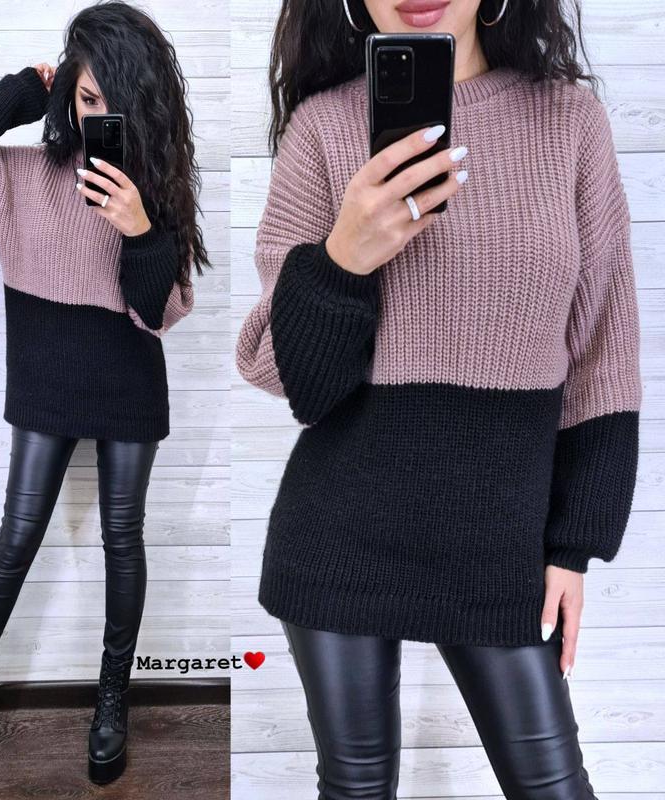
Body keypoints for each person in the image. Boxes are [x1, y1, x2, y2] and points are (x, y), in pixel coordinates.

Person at [235, 0, 641, 797]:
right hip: (338, 537)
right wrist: (344, 257)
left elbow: (604, 350)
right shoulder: (322, 129)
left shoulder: (569, 120)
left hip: (503, 544)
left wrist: (573, 545)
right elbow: (286, 376)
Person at [0, 1, 209, 791]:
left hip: (129, 379)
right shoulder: (19, 178)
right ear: (69, 88)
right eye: (87, 95)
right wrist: (17, 94)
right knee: (17, 538)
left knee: (123, 540)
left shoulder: (154, 189)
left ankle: (111, 703)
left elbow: (162, 313)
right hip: (44, 377)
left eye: (115, 102)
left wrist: (140, 229)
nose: (97, 114)